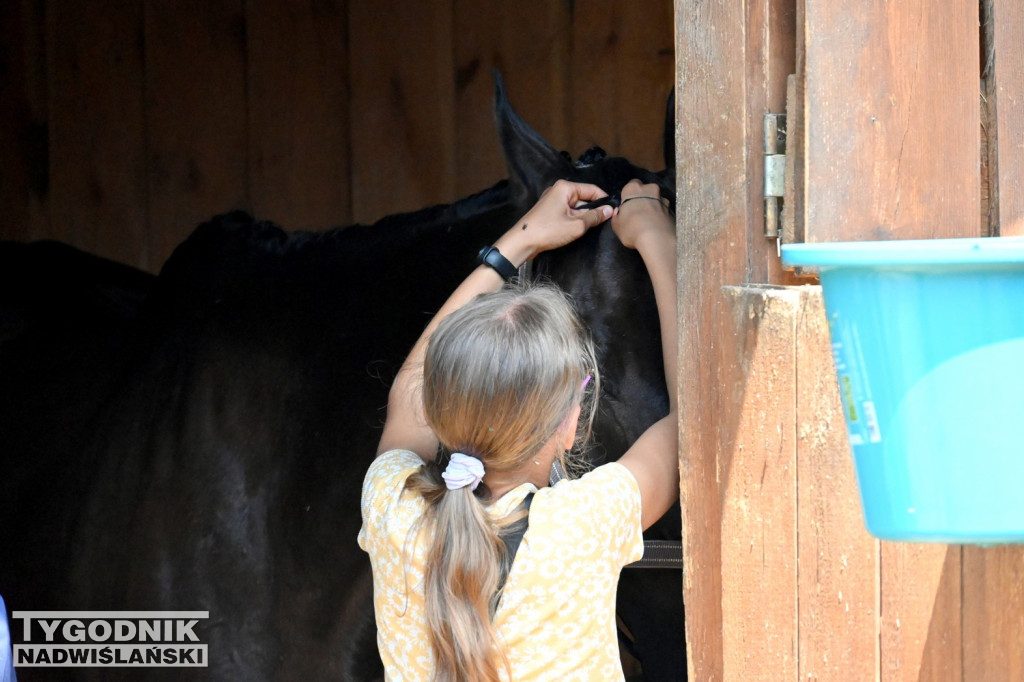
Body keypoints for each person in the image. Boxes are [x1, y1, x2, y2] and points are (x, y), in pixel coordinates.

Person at [358, 178, 678, 681]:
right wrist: (658, 239)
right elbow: (693, 420)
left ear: (438, 409)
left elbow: (407, 394)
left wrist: (520, 239)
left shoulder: (392, 509)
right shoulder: (581, 526)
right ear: (571, 423)